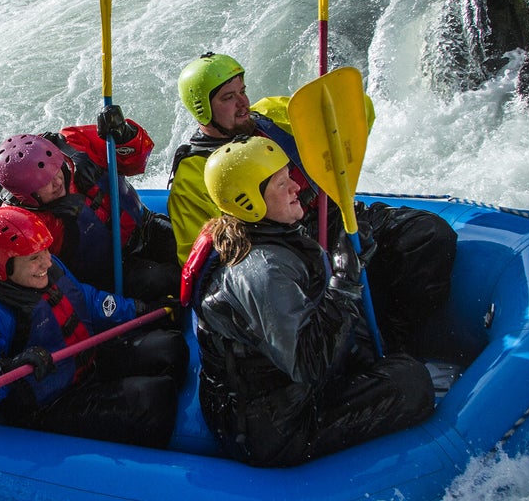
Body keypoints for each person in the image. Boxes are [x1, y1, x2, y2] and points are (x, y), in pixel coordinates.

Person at [170, 52, 457, 352]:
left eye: (242, 91)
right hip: (287, 255)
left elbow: (357, 114)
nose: (243, 103)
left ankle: (398, 341)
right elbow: (209, 266)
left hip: (335, 218)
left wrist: (334, 125)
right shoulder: (192, 175)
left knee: (428, 235)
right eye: (228, 98)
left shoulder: (271, 115)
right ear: (202, 109)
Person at [183, 136, 435, 467]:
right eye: (281, 183)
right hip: (275, 427)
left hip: (283, 389)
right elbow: (307, 364)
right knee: (410, 382)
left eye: (290, 176)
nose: (295, 187)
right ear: (250, 201)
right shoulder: (260, 271)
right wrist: (344, 282)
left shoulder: (264, 231)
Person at [0, 207, 187, 448]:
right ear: (3, 264)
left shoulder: (49, 267)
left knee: (170, 347)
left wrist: (140, 309)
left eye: (45, 250)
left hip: (85, 363)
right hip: (47, 404)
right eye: (34, 258)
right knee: (153, 399)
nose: (46, 262)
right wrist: (8, 368)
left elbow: (86, 299)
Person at [0, 106, 179, 301]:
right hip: (109, 274)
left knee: (191, 248)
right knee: (165, 279)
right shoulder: (23, 222)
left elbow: (137, 162)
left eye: (56, 171)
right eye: (45, 183)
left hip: (144, 227)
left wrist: (125, 136)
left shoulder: (75, 143)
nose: (58, 182)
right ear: (26, 196)